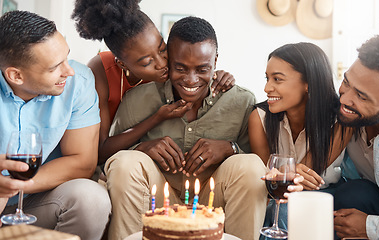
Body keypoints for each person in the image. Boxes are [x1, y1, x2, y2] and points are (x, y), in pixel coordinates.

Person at [104, 16, 271, 240]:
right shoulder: (138, 99)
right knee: (126, 163)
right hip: (157, 200)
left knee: (251, 166)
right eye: (180, 68)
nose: (191, 80)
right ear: (169, 60)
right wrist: (142, 148)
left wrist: (229, 148)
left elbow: (257, 164)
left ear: (216, 61)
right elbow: (109, 155)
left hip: (212, 202)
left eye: (202, 69)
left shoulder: (241, 101)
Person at [71, 0, 235, 166]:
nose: (162, 63)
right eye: (146, 62)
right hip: (113, 160)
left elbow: (194, 70)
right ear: (122, 64)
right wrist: (156, 118)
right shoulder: (100, 71)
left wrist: (216, 74)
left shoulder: (167, 69)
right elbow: (101, 150)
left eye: (162, 49)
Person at [0, 11, 111, 240]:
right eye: (54, 68)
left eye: (66, 58)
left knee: (91, 199)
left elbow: (82, 162)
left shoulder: (78, 82)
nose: (68, 71)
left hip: (37, 201)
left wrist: (13, 185)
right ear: (16, 75)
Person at [248, 43, 352, 238]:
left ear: (308, 84)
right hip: (278, 199)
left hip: (328, 197)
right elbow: (266, 177)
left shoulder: (341, 119)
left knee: (291, 210)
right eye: (267, 78)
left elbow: (307, 175)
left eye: (277, 79)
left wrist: (286, 173)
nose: (266, 88)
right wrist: (287, 173)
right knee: (282, 209)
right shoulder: (259, 118)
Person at [333, 35, 379, 240]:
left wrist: (369, 227)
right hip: (365, 201)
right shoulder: (345, 116)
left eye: (361, 96)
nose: (344, 99)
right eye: (346, 82)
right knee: (352, 193)